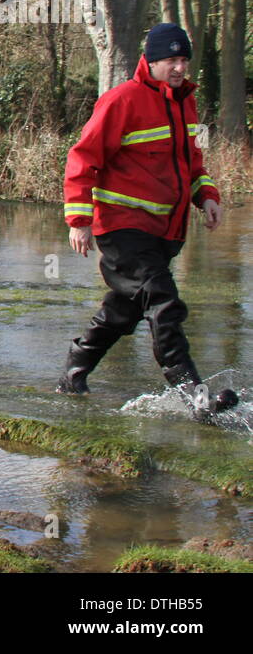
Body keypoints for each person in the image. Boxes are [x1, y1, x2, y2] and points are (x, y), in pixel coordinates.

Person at [60, 21, 237, 418]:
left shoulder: (185, 103)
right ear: (151, 61)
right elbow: (82, 158)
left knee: (124, 309)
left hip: (163, 232)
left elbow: (192, 162)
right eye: (170, 60)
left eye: (183, 60)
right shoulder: (122, 100)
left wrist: (206, 196)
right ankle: (194, 394)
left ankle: (75, 365)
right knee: (164, 303)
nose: (178, 68)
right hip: (122, 229)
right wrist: (79, 218)